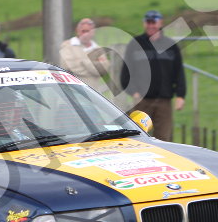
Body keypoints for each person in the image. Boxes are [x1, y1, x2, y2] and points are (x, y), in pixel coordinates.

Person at [119, 10, 186, 142]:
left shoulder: (171, 46)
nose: (151, 26)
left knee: (164, 139)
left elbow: (179, 72)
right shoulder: (135, 44)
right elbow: (126, 72)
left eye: (154, 22)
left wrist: (180, 95)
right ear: (144, 24)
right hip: (142, 101)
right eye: (148, 22)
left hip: (164, 101)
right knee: (139, 138)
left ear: (160, 23)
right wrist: (134, 92)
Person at [59, 18, 109, 94]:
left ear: (93, 33)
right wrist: (94, 65)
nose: (86, 34)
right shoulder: (67, 45)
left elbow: (104, 69)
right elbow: (67, 66)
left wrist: (83, 62)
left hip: (94, 93)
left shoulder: (98, 48)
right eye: (83, 31)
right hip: (74, 91)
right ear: (77, 31)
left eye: (88, 31)